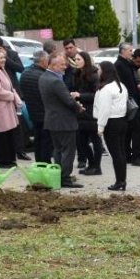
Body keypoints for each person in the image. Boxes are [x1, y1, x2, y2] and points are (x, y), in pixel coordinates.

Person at [40, 51, 85, 188]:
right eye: (62, 65)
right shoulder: (55, 81)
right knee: (67, 151)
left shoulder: (43, 77)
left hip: (53, 121)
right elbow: (68, 101)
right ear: (53, 65)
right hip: (64, 122)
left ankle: (58, 176)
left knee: (58, 150)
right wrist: (79, 108)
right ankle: (65, 178)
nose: (65, 67)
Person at [93, 61, 130, 191]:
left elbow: (104, 110)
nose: (97, 72)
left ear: (105, 71)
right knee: (121, 152)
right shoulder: (121, 86)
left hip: (111, 123)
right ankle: (122, 180)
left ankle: (119, 181)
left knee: (116, 154)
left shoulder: (106, 89)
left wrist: (100, 127)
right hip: (122, 121)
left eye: (99, 69)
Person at [114, 43, 140, 166]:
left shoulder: (126, 63)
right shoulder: (119, 65)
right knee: (136, 129)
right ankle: (135, 157)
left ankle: (128, 155)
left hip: (132, 101)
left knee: (130, 129)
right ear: (122, 51)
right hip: (129, 102)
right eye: (129, 50)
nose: (131, 53)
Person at [73, 51, 103, 176]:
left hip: (92, 112)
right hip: (81, 112)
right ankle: (91, 164)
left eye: (79, 59)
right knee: (81, 141)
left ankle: (96, 167)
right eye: (75, 59)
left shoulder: (93, 75)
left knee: (95, 140)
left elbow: (96, 95)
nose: (76, 61)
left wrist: (80, 95)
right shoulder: (77, 74)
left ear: (86, 60)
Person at [20, 50, 50, 162]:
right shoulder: (43, 75)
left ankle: (39, 163)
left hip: (32, 111)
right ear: (43, 61)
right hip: (44, 112)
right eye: (47, 60)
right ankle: (45, 163)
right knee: (46, 141)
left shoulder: (25, 73)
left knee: (38, 139)